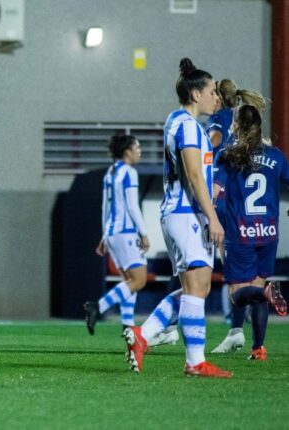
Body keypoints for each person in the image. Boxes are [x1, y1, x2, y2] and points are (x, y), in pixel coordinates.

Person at [124, 58, 231, 377]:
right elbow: (193, 175)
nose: (217, 97)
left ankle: (143, 336)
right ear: (196, 94)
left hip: (182, 213)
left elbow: (198, 174)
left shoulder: (180, 122)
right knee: (197, 288)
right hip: (186, 215)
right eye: (212, 91)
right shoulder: (185, 125)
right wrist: (213, 217)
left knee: (195, 287)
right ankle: (195, 361)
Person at [211, 104, 289, 360]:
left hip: (241, 233)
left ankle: (266, 293)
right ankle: (258, 348)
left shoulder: (228, 155)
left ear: (235, 125)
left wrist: (207, 215)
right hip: (268, 232)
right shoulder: (276, 156)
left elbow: (214, 190)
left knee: (237, 296)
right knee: (258, 286)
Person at [84, 135, 149, 334]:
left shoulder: (110, 173)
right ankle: (98, 306)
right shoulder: (129, 172)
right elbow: (132, 206)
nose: (140, 151)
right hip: (126, 233)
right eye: (137, 147)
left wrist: (105, 236)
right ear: (127, 152)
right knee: (139, 280)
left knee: (129, 282)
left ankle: (129, 329)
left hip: (113, 234)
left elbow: (106, 207)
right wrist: (144, 233)